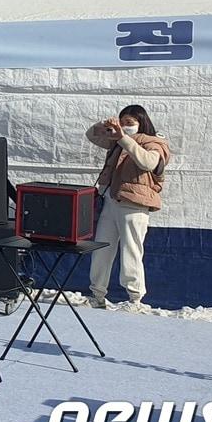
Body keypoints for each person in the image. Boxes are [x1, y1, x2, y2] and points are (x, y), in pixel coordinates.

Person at [85, 105, 171, 311]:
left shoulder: (154, 142)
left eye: (130, 123)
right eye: (123, 122)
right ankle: (97, 294)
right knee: (101, 249)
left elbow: (148, 162)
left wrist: (123, 137)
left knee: (131, 250)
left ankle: (135, 299)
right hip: (112, 200)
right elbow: (91, 135)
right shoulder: (116, 142)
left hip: (134, 205)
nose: (125, 126)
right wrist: (106, 125)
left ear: (142, 123)